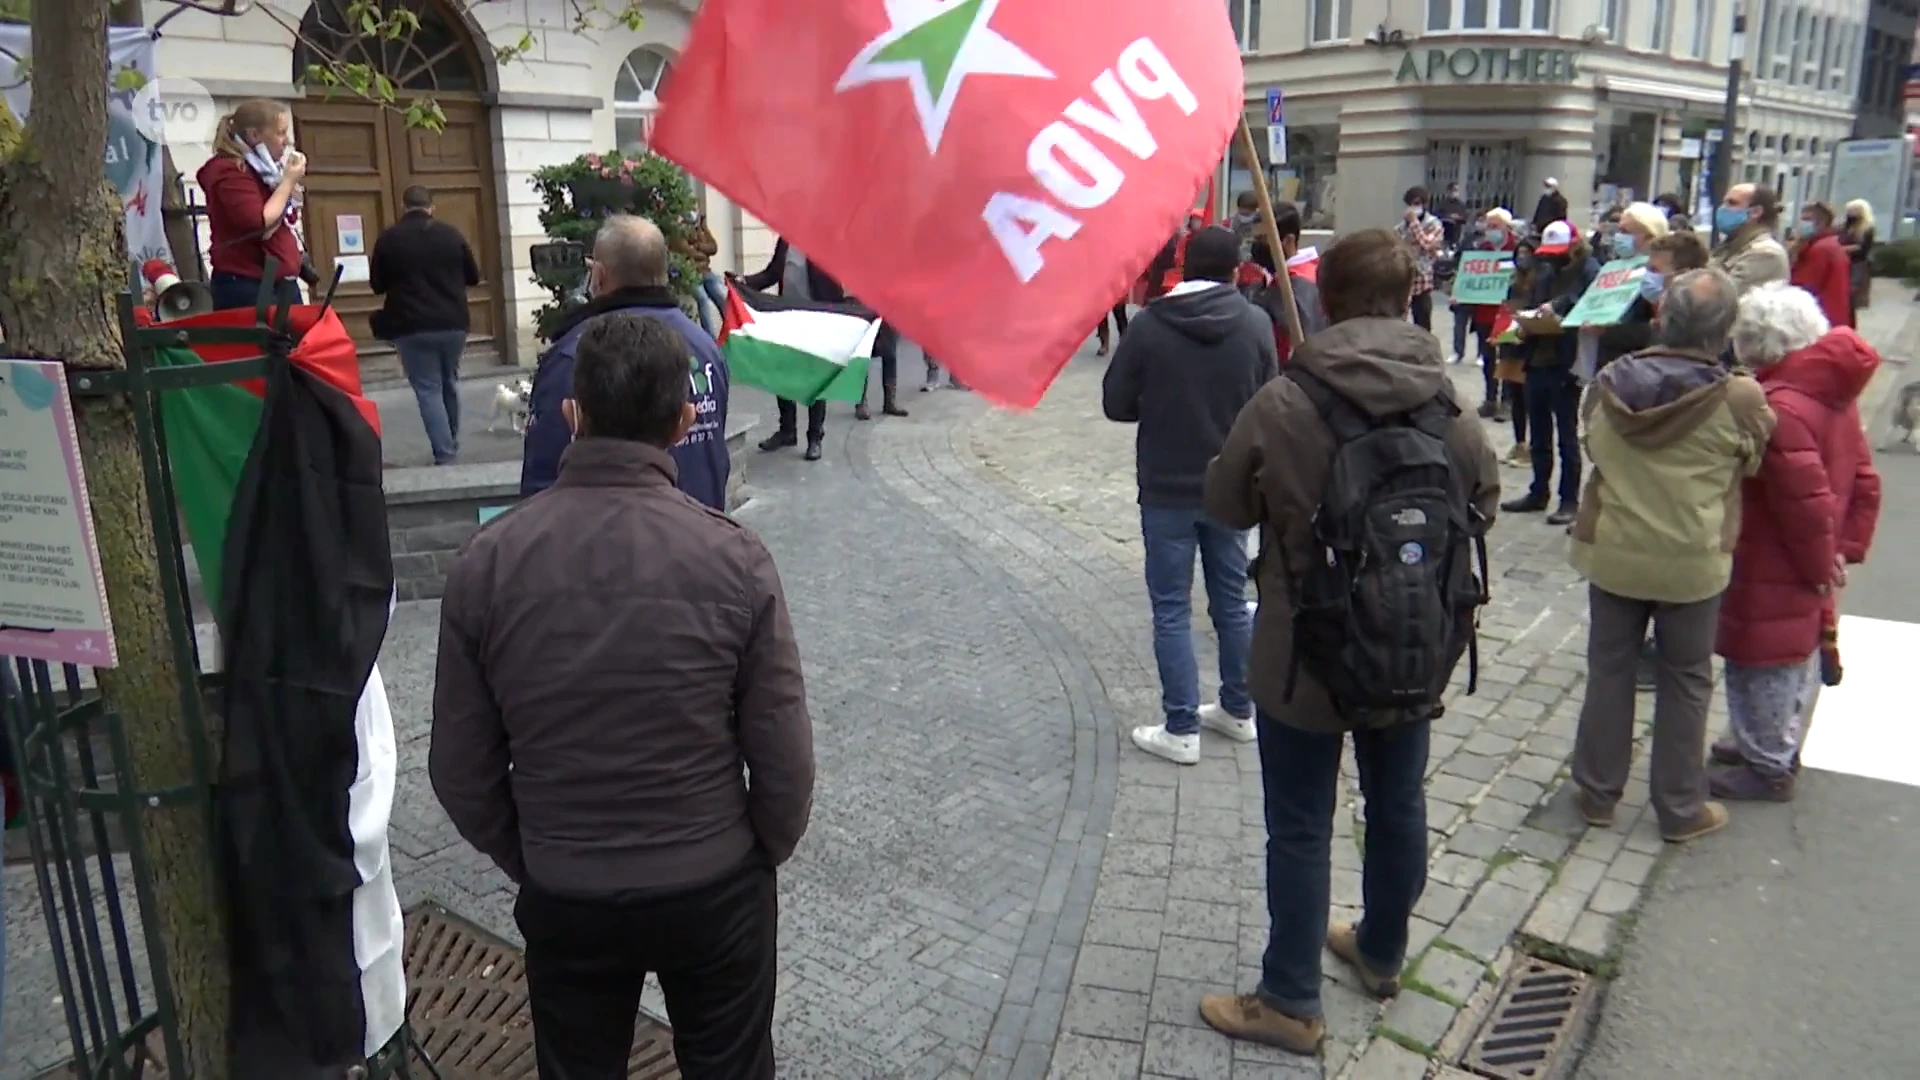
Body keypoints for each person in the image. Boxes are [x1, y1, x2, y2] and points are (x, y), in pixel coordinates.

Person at [431, 312, 813, 1080]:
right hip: (712, 881)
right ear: (681, 423)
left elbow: (460, 768)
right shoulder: (735, 559)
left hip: (569, 887)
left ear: (573, 414)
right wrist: (755, 854)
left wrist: (535, 854)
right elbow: (783, 753)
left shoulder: (488, 562)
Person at [1193, 228, 1499, 1054]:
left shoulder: (1288, 400)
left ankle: (1291, 1000)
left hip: (1304, 655)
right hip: (1412, 644)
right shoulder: (1450, 401)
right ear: (1408, 300)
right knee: (1397, 802)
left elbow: (1224, 504)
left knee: (1300, 822)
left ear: (1325, 297)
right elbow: (1484, 500)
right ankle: (1382, 949)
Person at [1567, 267, 1776, 844]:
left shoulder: (1608, 383)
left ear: (1661, 318)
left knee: (1610, 670)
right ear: (1726, 329)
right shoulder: (1738, 396)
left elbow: (1591, 444)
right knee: (1687, 680)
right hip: (1693, 556)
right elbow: (1756, 458)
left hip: (1614, 549)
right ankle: (1680, 808)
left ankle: (1597, 793)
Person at [1101, 227, 1275, 765]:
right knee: (1230, 601)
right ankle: (1240, 708)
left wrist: (1163, 405)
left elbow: (1116, 403)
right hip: (1232, 486)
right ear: (1235, 269)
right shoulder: (1256, 323)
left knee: (1172, 608)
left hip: (1168, 486)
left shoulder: (1151, 325)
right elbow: (1273, 398)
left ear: (1183, 264)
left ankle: (1181, 726)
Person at [1711, 283, 1881, 801]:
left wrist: (1816, 564)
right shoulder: (1832, 392)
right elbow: (1864, 478)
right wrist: (1844, 547)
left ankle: (1769, 764)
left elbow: (1801, 507)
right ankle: (1758, 742)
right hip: (1811, 554)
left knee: (1761, 657)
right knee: (1792, 654)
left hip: (1778, 556)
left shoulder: (1780, 407)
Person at [521, 215, 731, 510]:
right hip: (698, 532)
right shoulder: (706, 346)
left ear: (600, 275)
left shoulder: (581, 351)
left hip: (612, 540)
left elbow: (542, 476)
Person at [368, 186, 482, 466]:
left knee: (428, 388)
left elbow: (377, 285)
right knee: (449, 382)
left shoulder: (389, 239)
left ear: (404, 206)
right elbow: (473, 277)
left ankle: (445, 452)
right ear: (431, 206)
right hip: (453, 322)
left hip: (411, 325)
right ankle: (450, 439)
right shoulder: (451, 234)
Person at [1502, 220, 1598, 526]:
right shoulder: (1545, 270)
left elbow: (1583, 300)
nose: (1551, 258)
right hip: (1538, 358)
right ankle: (1538, 490)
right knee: (1539, 432)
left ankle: (1569, 499)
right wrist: (1524, 324)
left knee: (1567, 435)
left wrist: (1555, 307)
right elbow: (1532, 303)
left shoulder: (1589, 269)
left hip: (1566, 361)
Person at [740, 237, 845, 460]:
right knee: (782, 375)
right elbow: (771, 274)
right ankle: (787, 431)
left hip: (815, 318)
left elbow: (836, 287)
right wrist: (743, 281)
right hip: (787, 316)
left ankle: (815, 437)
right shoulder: (786, 240)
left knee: (815, 379)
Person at [197, 99, 307, 311]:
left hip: (279, 282)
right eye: (280, 133)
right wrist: (288, 182)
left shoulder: (266, 171)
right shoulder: (230, 171)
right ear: (254, 135)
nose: (287, 141)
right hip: (249, 284)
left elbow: (285, 216)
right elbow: (258, 224)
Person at [1587, 202, 1671, 377]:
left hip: (1639, 369)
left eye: (1626, 232)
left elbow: (1659, 329)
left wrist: (1608, 332)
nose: (1619, 237)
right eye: (1619, 231)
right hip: (1607, 364)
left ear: (1649, 237)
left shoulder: (1658, 273)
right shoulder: (1614, 267)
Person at [1248, 202, 1328, 365]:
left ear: (1288, 240)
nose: (1257, 246)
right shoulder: (1313, 272)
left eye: (1263, 239)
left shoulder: (1296, 284)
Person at [1460, 207, 1519, 415]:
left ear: (1506, 228)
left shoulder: (1518, 250)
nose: (1490, 230)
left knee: (1508, 357)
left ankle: (1506, 401)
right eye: (1488, 226)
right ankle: (1490, 398)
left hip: (1508, 312)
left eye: (1495, 226)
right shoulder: (1481, 250)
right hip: (1484, 311)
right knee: (1488, 359)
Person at [1493, 238, 1540, 462]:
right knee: (1515, 397)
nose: (1522, 257)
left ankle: (1532, 446)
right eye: (1519, 253)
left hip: (1528, 343)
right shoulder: (1513, 283)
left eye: (1526, 252)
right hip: (1511, 343)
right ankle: (1519, 443)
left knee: (1530, 399)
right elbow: (1507, 309)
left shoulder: (1541, 281)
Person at [1711, 183, 1791, 293]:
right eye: (1724, 203)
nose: (1723, 209)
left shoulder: (1766, 253)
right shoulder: (1732, 245)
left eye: (1732, 203)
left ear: (1756, 212)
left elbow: (1721, 296)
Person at [1788, 202, 1855, 329]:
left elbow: (1803, 287)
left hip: (1821, 319)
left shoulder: (1821, 249)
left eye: (1807, 220)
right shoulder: (1829, 244)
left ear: (1822, 222)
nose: (1802, 225)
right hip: (1830, 316)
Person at [1397, 187, 1445, 330]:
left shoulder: (1433, 223)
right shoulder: (1401, 226)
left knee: (1422, 321)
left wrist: (1414, 223)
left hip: (1422, 278)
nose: (1413, 208)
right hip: (1404, 277)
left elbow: (1427, 244)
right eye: (1411, 204)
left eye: (1417, 204)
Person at [673, 211, 723, 335]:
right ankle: (711, 338)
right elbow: (690, 253)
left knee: (721, 296)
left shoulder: (701, 230)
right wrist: (703, 252)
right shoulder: (678, 234)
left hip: (706, 272)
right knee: (703, 299)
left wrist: (699, 244)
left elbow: (714, 248)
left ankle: (732, 330)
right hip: (691, 274)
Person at [1839, 199, 1876, 314]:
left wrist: (1843, 249)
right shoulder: (1845, 226)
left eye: (1853, 210)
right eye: (1848, 210)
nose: (1849, 213)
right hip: (1843, 262)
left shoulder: (1867, 228)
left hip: (1857, 264)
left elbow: (1863, 248)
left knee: (1853, 294)